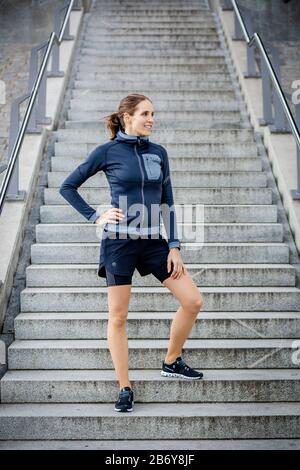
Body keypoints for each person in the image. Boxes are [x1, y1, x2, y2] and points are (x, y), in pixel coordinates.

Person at [59, 93, 204, 413]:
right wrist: (95, 215)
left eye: (153, 113)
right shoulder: (107, 152)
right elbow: (67, 186)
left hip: (154, 242)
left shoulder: (158, 153)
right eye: (145, 114)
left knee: (193, 300)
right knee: (119, 316)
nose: (152, 119)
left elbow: (168, 201)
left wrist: (174, 245)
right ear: (127, 117)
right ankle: (124, 387)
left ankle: (171, 360)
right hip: (119, 243)